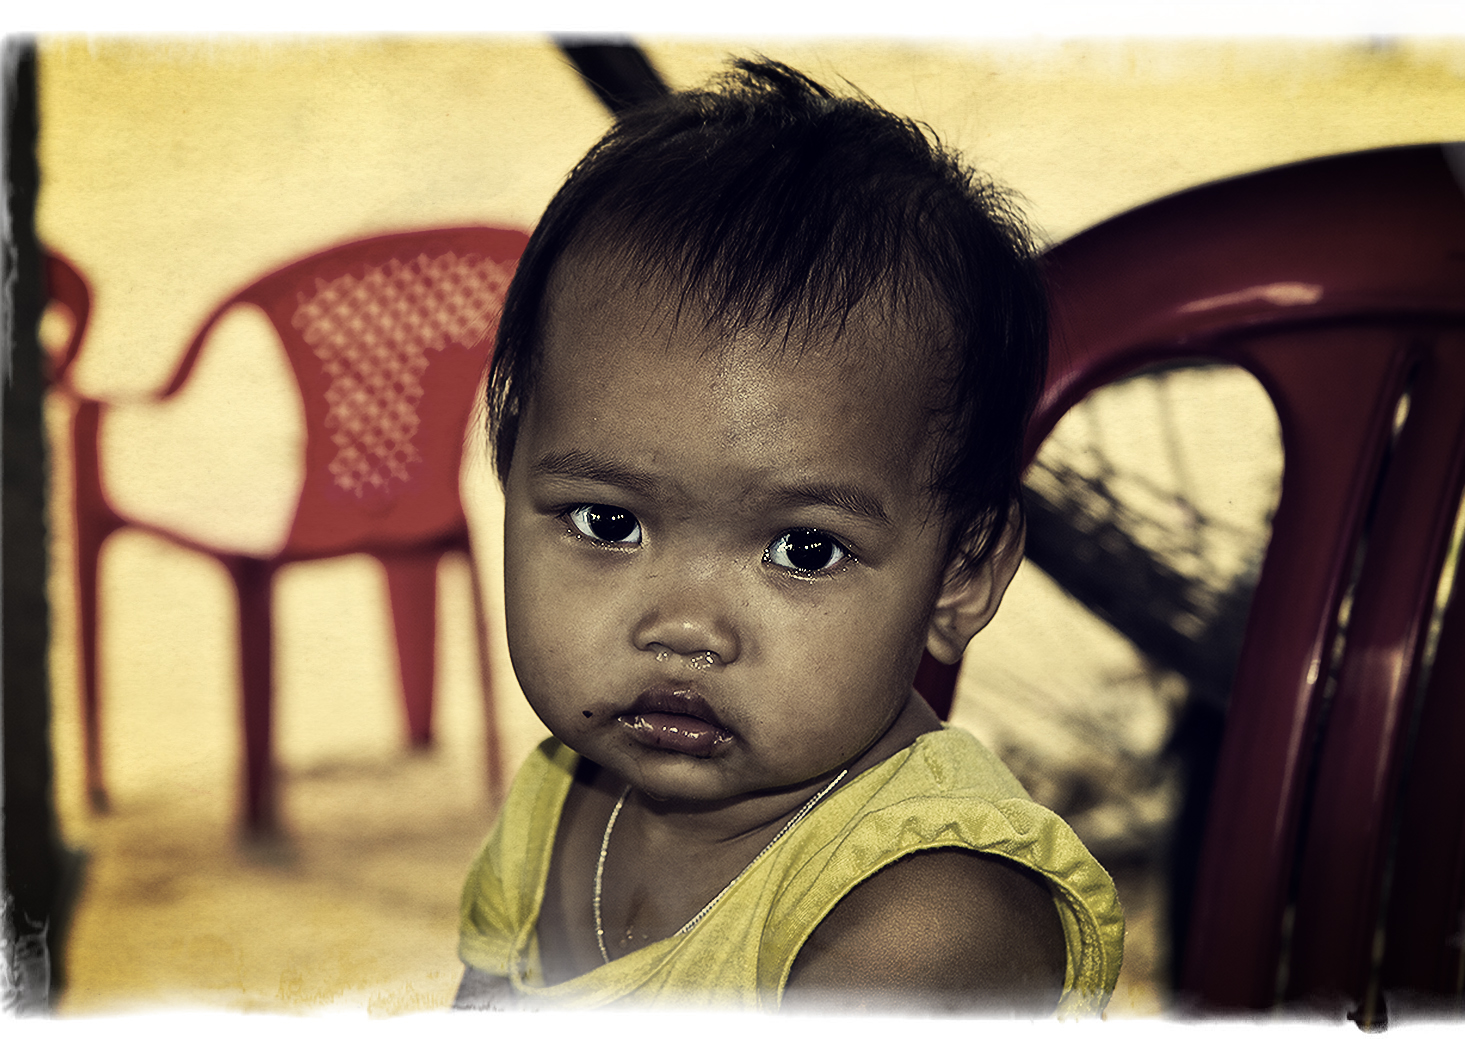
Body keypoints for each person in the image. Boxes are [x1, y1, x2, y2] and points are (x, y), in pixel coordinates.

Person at [455, 57, 1123, 1016]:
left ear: (960, 575)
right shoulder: (559, 799)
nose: (684, 626)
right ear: (512, 480)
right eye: (609, 522)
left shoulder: (926, 926)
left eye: (803, 550)